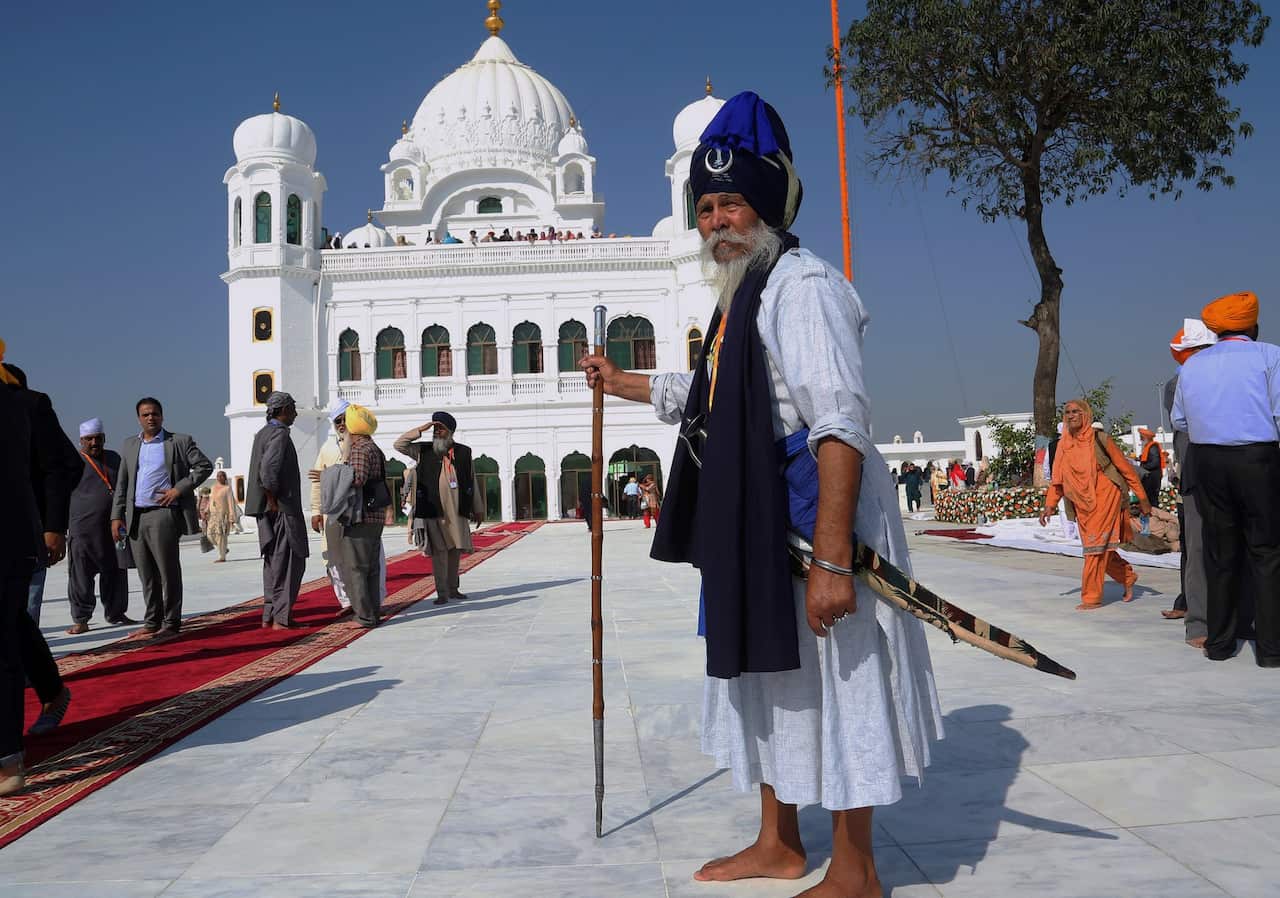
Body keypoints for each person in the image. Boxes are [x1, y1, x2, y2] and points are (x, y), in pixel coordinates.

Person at [581, 91, 941, 898]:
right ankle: (779, 843)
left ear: (768, 205)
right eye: (705, 208)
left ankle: (856, 871)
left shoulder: (801, 288)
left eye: (732, 203)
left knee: (842, 688)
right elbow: (705, 394)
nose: (716, 222)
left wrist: (834, 562)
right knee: (767, 680)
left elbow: (838, 424)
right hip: (760, 522)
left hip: (815, 518)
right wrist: (623, 382)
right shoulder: (743, 296)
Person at [1172, 291, 1280, 666]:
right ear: (1253, 325)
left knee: (1220, 553)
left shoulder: (1192, 366)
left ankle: (1219, 643)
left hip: (1208, 461)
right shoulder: (1269, 355)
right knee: (1266, 553)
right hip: (1257, 458)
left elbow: (1180, 421)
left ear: (1216, 330)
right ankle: (1270, 650)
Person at [1, 343, 83, 793]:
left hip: (16, 535)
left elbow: (61, 466)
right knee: (13, 622)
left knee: (6, 635)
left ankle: (6, 756)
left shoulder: (29, 406)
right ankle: (52, 690)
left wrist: (52, 524)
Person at [110, 397, 213, 637]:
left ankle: (171, 622)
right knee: (146, 573)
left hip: (163, 515)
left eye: (155, 414)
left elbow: (204, 466)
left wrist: (179, 489)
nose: (150, 418)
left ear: (162, 416)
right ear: (139, 418)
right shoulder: (129, 445)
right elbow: (122, 484)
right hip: (136, 516)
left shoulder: (178, 442)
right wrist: (116, 516)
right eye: (145, 414)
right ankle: (152, 621)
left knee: (167, 571)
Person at [1039, 399, 1151, 610]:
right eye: (1067, 412)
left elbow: (1126, 470)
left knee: (1094, 550)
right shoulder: (1063, 445)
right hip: (1081, 503)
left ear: (1085, 415)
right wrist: (1049, 505)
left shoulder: (1100, 439)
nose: (1071, 415)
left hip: (1106, 497)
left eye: (1075, 412)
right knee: (1101, 549)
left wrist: (1143, 498)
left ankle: (1091, 597)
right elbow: (1058, 480)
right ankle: (1127, 576)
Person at [1161, 321, 1217, 643]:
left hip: (1222, 467)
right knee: (1197, 546)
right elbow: (1181, 421)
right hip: (1197, 470)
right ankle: (1198, 620)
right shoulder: (1178, 383)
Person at [394, 412, 482, 606]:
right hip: (433, 511)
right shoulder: (423, 450)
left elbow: (472, 480)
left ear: (450, 432)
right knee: (439, 553)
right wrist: (420, 430)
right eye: (435, 428)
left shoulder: (463, 452)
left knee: (454, 552)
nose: (437, 432)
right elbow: (399, 445)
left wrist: (478, 507)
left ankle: (453, 588)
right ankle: (441, 592)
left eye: (441, 428)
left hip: (457, 512)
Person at [244, 392, 309, 629]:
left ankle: (270, 615)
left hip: (270, 508)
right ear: (281, 410)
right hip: (281, 508)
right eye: (292, 408)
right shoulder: (279, 434)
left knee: (273, 564)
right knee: (289, 561)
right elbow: (268, 472)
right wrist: (272, 500)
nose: (295, 413)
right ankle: (282, 617)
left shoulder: (263, 433)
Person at [66, 418, 134, 633]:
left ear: (104, 438)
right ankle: (81, 618)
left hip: (113, 528)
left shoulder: (113, 458)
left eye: (98, 438)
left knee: (116, 571)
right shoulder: (71, 461)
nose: (94, 442)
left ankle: (116, 613)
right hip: (83, 530)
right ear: (81, 441)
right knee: (80, 575)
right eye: (89, 439)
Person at [341, 405, 390, 628]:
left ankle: (364, 616)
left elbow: (357, 479)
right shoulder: (374, 447)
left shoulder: (359, 449)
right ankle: (373, 612)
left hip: (362, 515)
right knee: (371, 567)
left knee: (357, 567)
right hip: (375, 515)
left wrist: (334, 475)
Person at [309, 400, 354, 614]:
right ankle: (345, 601)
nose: (343, 424)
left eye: (346, 419)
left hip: (357, 512)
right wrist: (316, 511)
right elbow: (316, 481)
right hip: (332, 514)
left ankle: (366, 599)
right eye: (339, 420)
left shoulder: (361, 444)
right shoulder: (327, 448)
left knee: (361, 557)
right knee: (333, 558)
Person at [205, 471, 236, 563]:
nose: (219, 477)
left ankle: (222, 557)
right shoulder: (213, 487)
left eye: (222, 476)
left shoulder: (227, 488)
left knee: (221, 536)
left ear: (225, 478)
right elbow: (211, 500)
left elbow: (231, 503)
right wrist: (206, 510)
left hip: (222, 515)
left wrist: (232, 517)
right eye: (218, 476)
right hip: (212, 515)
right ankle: (223, 549)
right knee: (209, 535)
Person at [1136, 428, 1163, 507]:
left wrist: (1143, 467)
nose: (1140, 438)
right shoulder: (1148, 447)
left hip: (1152, 477)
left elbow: (1155, 462)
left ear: (1145, 437)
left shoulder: (1152, 447)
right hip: (1149, 476)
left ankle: (1154, 516)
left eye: (1141, 436)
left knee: (1152, 499)